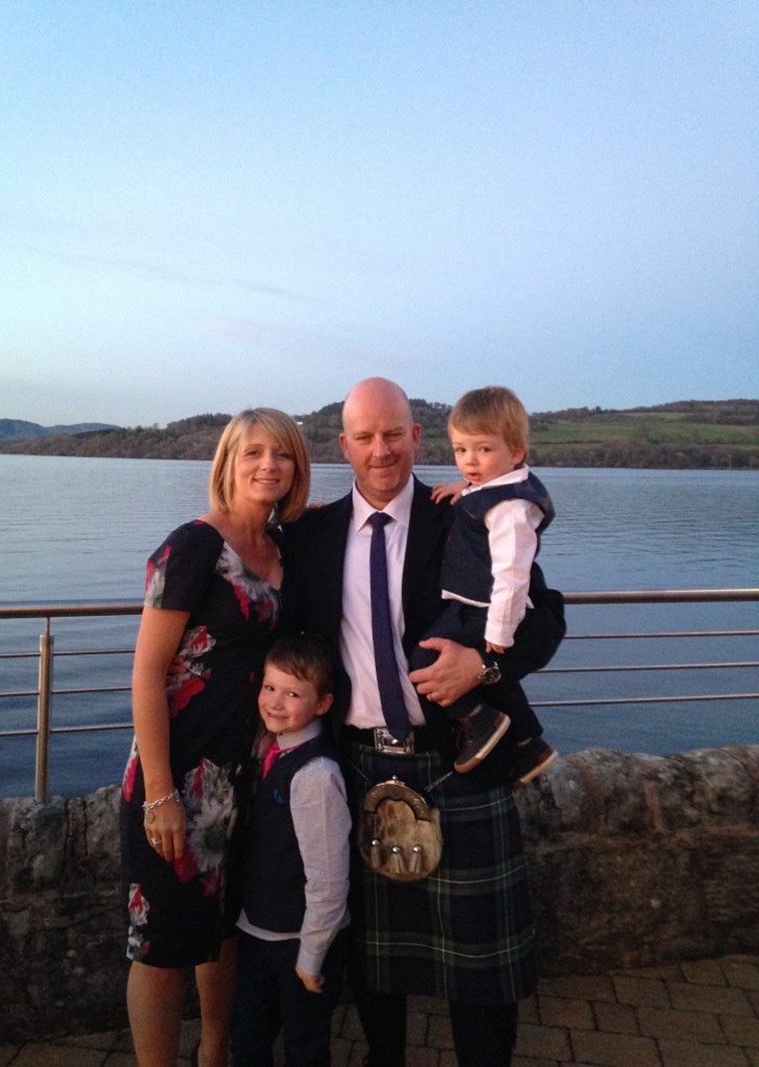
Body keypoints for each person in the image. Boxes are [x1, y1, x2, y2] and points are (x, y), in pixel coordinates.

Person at [283, 377, 537, 1067]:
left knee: (481, 973)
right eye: (365, 437)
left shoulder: (468, 512)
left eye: (394, 433)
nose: (381, 450)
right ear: (344, 445)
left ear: (417, 436)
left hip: (461, 758)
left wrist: (481, 668)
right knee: (375, 963)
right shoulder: (310, 537)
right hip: (358, 761)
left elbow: (544, 618)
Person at [120, 408, 310, 1067]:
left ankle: (213, 1054)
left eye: (282, 454)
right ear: (228, 462)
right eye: (253, 452)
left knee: (224, 933)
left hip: (246, 777)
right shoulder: (193, 546)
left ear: (297, 467)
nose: (268, 465)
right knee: (162, 946)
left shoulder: (283, 549)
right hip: (177, 776)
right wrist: (160, 793)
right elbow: (147, 671)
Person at [411, 385, 561, 781]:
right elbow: (489, 488)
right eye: (461, 450)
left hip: (487, 608)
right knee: (486, 678)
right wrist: (465, 487)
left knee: (425, 660)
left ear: (517, 451)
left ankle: (479, 719)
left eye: (483, 449)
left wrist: (499, 630)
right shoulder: (495, 490)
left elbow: (512, 575)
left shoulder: (512, 511)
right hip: (475, 603)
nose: (470, 460)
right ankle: (528, 744)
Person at [231, 633, 351, 1067]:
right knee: (248, 1038)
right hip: (258, 929)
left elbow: (328, 879)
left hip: (301, 941)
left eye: (293, 694)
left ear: (323, 704)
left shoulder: (316, 776)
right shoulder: (271, 747)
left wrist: (311, 956)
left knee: (305, 1047)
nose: (275, 703)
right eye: (269, 687)